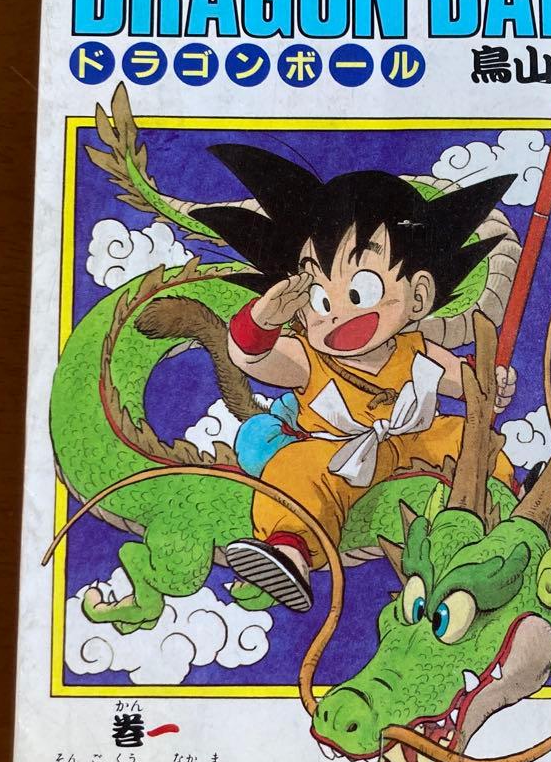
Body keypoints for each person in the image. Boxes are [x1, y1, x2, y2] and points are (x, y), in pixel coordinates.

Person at [194, 144, 518, 612]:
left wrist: (491, 387)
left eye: (361, 290)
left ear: (419, 296)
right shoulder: (308, 358)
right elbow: (251, 356)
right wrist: (262, 319)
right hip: (335, 454)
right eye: (320, 300)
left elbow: (468, 384)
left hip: (413, 442)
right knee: (294, 468)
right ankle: (289, 551)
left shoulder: (416, 349)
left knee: (470, 438)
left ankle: (506, 511)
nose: (337, 314)